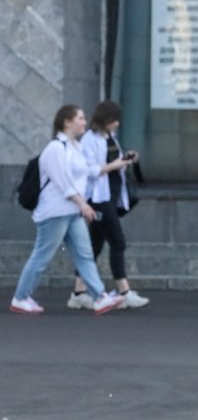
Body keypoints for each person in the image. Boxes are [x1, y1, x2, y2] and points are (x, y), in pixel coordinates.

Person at [10, 105, 126, 315]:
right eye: (80, 118)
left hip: (71, 211)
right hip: (55, 211)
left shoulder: (75, 147)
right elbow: (63, 181)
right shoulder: (56, 148)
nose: (84, 122)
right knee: (42, 256)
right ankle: (21, 297)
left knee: (84, 254)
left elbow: (88, 170)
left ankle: (99, 297)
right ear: (67, 122)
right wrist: (83, 204)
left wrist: (115, 165)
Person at [66, 100, 150, 311]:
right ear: (107, 120)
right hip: (98, 198)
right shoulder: (90, 140)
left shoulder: (110, 138)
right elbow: (90, 169)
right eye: (115, 120)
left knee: (95, 245)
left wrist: (127, 159)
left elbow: (114, 162)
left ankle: (79, 292)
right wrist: (116, 164)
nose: (117, 124)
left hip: (111, 195)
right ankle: (123, 291)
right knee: (117, 242)